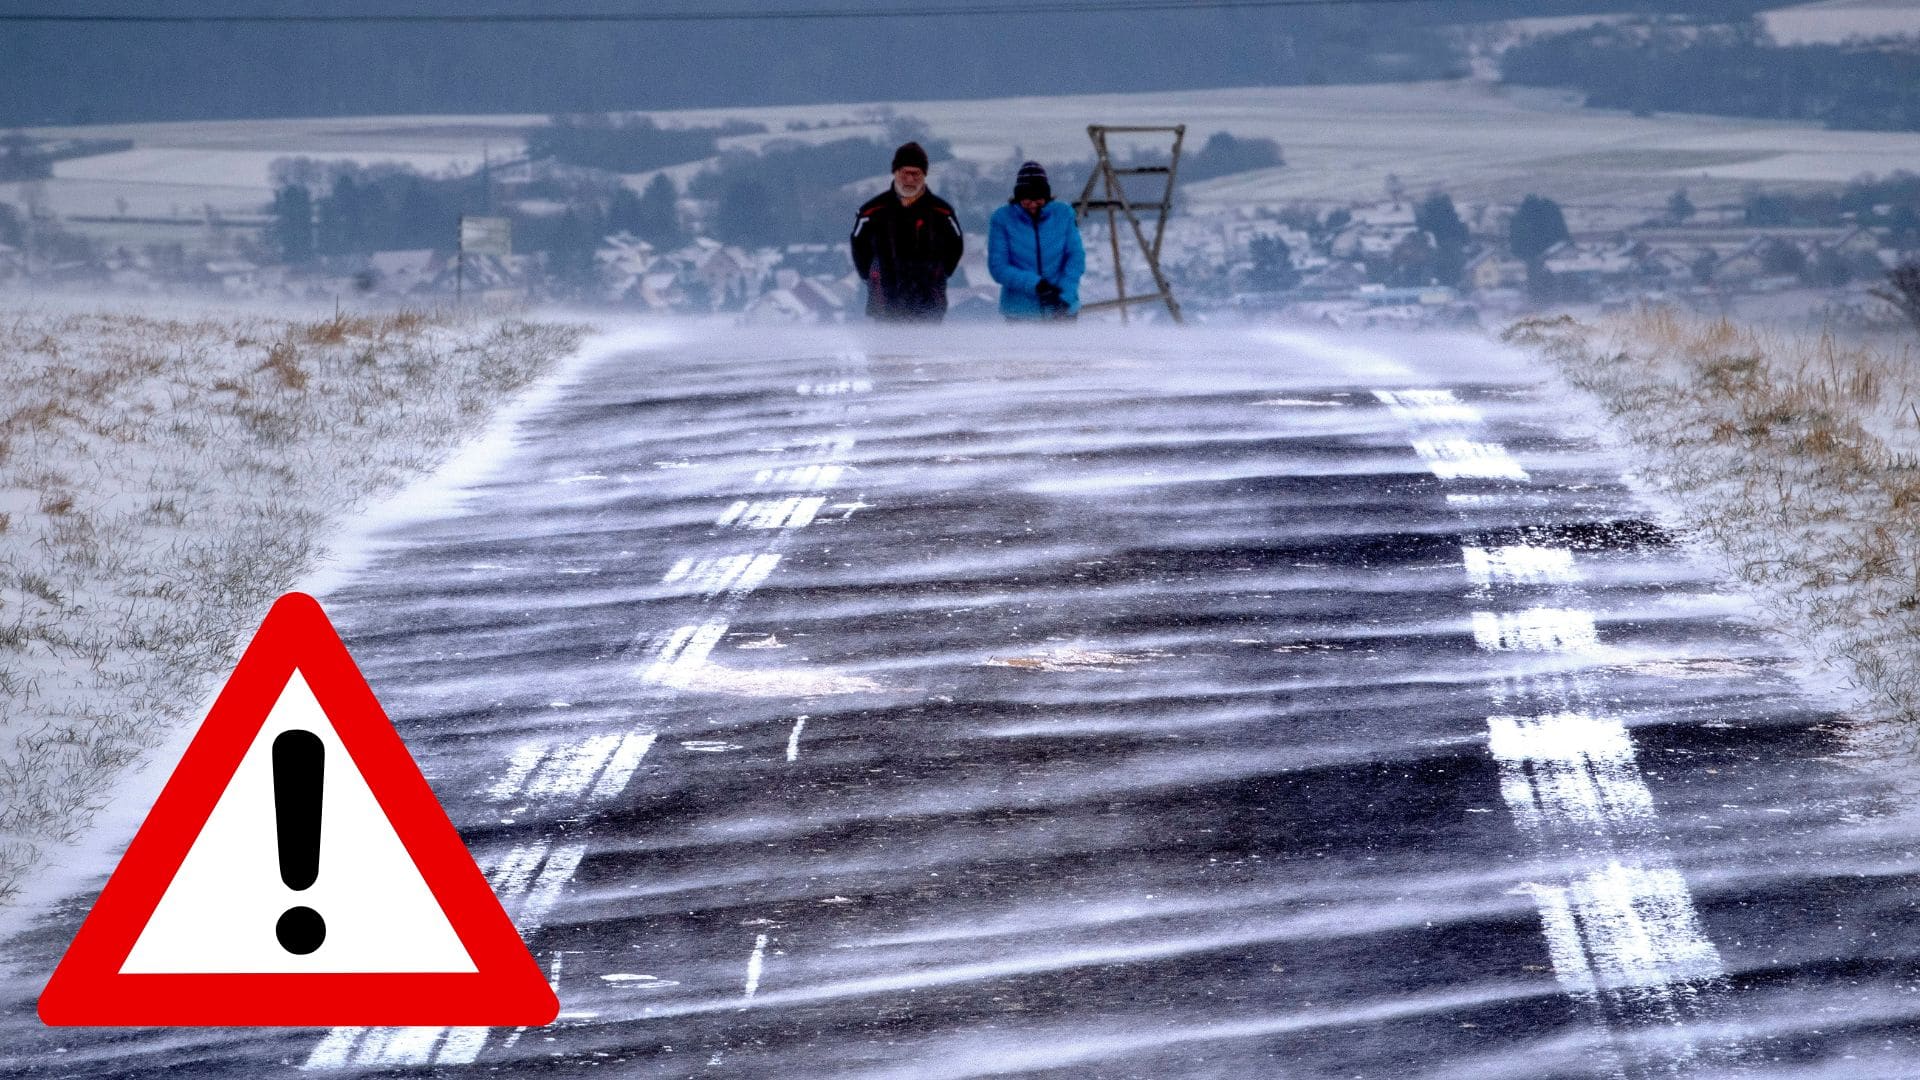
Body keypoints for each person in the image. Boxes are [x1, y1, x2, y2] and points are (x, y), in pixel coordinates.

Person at [849, 141, 964, 323]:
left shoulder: (942, 212)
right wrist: (872, 275)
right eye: (905, 173)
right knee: (886, 350)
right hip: (885, 301)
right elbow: (858, 246)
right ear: (895, 173)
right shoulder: (871, 212)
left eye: (916, 174)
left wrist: (939, 273)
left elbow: (955, 246)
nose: (910, 180)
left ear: (924, 175)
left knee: (927, 350)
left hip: (928, 303)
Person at [988, 161, 1085, 321]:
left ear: (1047, 196)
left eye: (1038, 199)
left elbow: (1075, 257)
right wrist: (1036, 285)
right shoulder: (1002, 219)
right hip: (1020, 313)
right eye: (1027, 199)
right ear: (1018, 197)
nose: (1033, 204)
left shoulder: (1064, 214)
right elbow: (998, 267)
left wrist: (1065, 295)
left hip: (1061, 310)